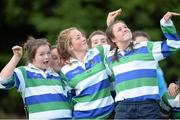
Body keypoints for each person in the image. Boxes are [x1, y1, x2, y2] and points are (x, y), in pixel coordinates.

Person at [105, 10, 180, 119]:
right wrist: (110, 25)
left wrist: (166, 23)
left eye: (125, 27)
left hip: (148, 107)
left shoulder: (146, 47)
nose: (125, 29)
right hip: (123, 109)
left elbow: (175, 45)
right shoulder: (109, 57)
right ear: (113, 39)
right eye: (120, 29)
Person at [0, 37, 72, 119]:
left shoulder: (58, 75)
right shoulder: (24, 72)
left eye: (48, 53)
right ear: (32, 57)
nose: (46, 57)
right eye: (41, 54)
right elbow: (3, 80)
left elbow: (72, 100)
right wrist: (16, 57)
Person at [57, 27, 114, 119]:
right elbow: (69, 98)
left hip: (109, 114)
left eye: (82, 36)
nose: (84, 38)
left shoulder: (99, 52)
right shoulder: (65, 71)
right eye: (78, 37)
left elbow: (118, 43)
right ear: (70, 46)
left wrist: (110, 25)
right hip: (83, 117)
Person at [132, 31, 168, 97]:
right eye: (139, 44)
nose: (143, 47)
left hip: (161, 102)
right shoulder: (130, 66)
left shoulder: (154, 62)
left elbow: (162, 86)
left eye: (146, 44)